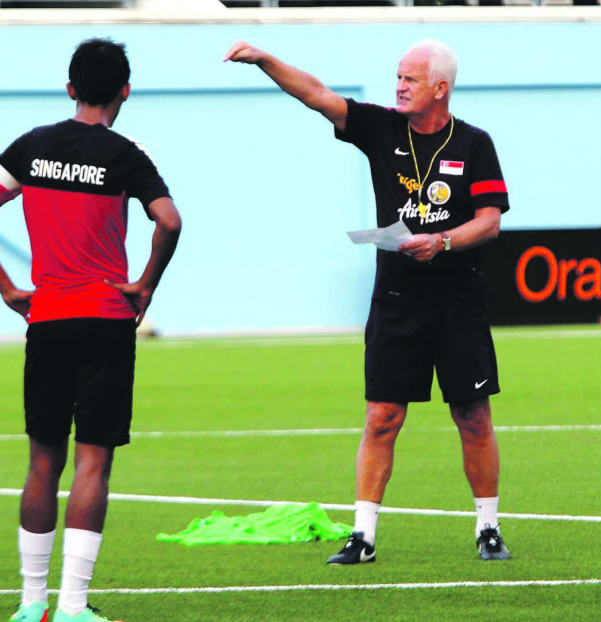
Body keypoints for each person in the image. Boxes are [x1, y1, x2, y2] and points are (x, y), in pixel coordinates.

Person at [224, 39, 510, 564]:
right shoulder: (381, 129)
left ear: (440, 88)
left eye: (410, 79)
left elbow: (490, 221)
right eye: (398, 77)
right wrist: (266, 61)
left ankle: (488, 528)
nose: (398, 86)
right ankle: (363, 536)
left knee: (473, 416)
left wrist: (442, 241)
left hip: (457, 302)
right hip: (397, 301)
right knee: (382, 416)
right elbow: (316, 95)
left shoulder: (475, 143)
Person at [4, 39, 181, 622]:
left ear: (70, 88)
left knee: (41, 462)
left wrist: (7, 290)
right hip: (106, 320)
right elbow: (169, 220)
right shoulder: (127, 154)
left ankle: (32, 604)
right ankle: (74, 606)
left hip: (48, 320)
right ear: (124, 91)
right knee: (93, 462)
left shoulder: (31, 147)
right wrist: (146, 284)